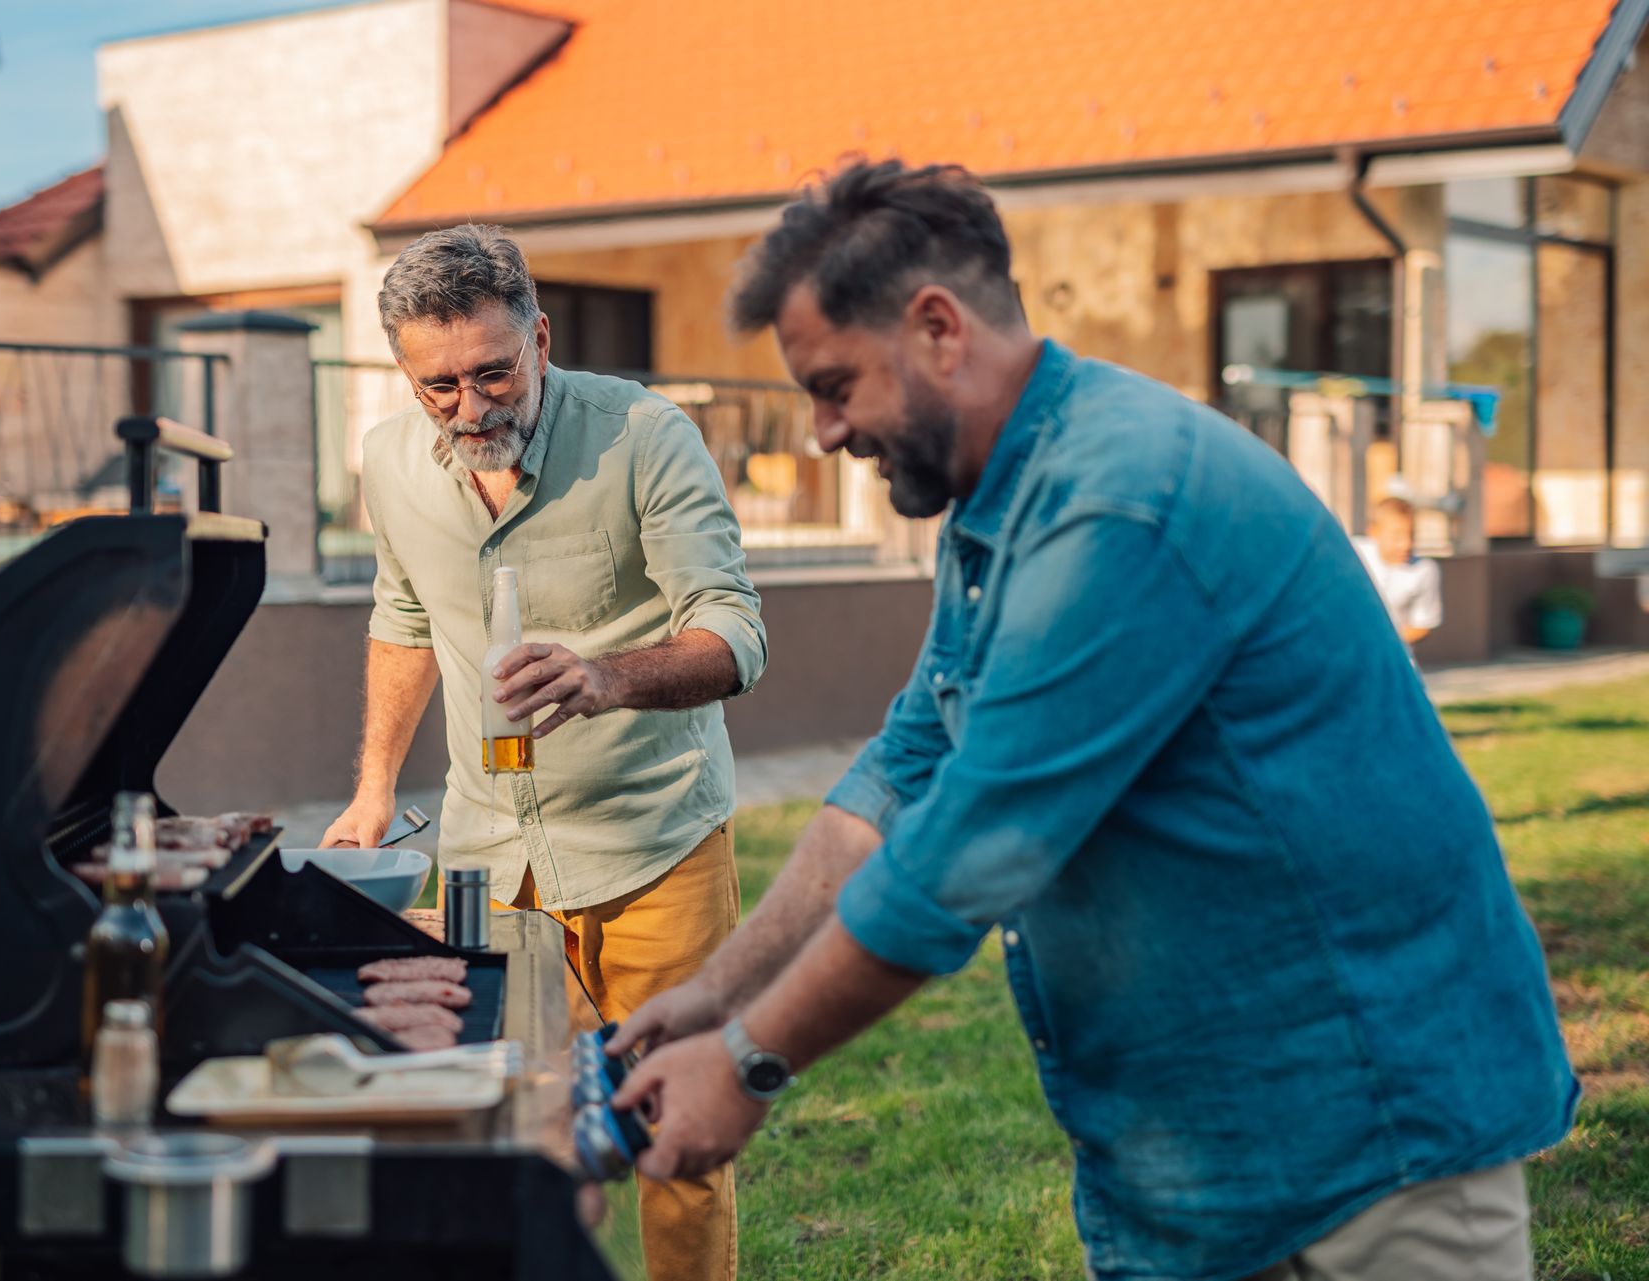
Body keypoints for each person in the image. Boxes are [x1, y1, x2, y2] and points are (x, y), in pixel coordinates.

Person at [608, 161, 1576, 1281]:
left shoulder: (1117, 502)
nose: (823, 433)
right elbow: (903, 773)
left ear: (936, 329)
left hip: (1366, 1145)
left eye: (835, 385)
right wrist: (714, 992)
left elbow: (966, 853)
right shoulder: (1002, 499)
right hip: (1205, 1164)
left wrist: (747, 1063)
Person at [319, 224, 763, 1281]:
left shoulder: (644, 435)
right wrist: (374, 788)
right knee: (508, 1131)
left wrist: (605, 678)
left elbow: (736, 631)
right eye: (440, 387)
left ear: (541, 338)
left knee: (674, 1140)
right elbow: (405, 618)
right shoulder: (389, 461)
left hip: (653, 840)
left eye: (493, 372)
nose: (473, 408)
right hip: (488, 857)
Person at [1354, 495, 1443, 646]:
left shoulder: (1424, 570)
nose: (1407, 544)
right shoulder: (1353, 553)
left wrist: (1380, 645)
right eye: (1397, 536)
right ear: (1373, 532)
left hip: (1393, 661)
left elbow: (1421, 626)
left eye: (1411, 534)